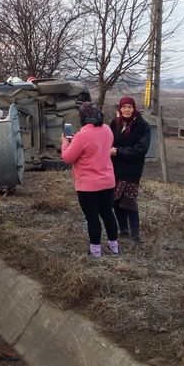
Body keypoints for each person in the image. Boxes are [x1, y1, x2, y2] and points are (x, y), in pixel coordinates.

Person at [61, 102, 120, 258]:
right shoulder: (107, 129)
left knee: (92, 217)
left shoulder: (81, 136)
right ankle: (114, 247)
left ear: (82, 116)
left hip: (88, 185)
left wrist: (65, 142)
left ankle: (95, 250)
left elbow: (68, 158)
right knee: (108, 213)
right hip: (107, 181)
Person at [109, 96, 151, 243]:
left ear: (134, 108)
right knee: (116, 200)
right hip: (115, 168)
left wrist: (118, 151)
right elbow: (107, 140)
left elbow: (141, 149)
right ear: (120, 109)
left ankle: (135, 234)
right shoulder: (115, 123)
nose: (126, 110)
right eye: (124, 107)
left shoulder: (142, 126)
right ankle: (123, 230)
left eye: (129, 107)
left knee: (129, 201)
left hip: (131, 169)